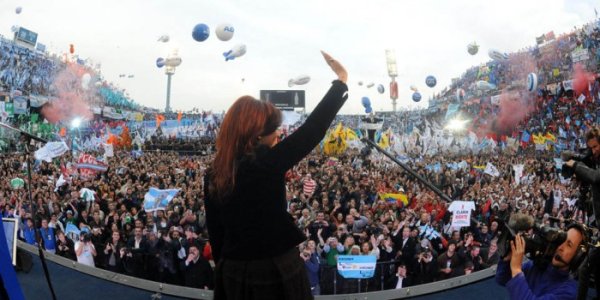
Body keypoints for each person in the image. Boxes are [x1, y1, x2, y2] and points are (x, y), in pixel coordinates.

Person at [205, 51, 348, 300]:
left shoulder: (214, 172)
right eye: (275, 131)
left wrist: (226, 271)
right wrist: (341, 80)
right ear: (258, 135)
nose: (278, 136)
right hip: (274, 271)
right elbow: (312, 129)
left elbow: (216, 231)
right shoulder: (267, 163)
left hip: (232, 272)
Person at [495, 224, 587, 299]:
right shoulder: (538, 266)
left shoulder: (568, 292)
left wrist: (516, 269)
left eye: (569, 245)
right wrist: (507, 259)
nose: (560, 247)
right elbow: (502, 279)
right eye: (562, 240)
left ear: (577, 257)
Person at [564, 127, 600, 300]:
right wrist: (577, 159)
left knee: (586, 269)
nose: (594, 151)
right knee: (594, 267)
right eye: (591, 148)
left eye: (596, 147)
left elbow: (596, 177)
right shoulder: (595, 158)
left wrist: (576, 165)